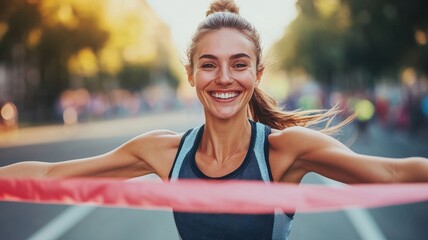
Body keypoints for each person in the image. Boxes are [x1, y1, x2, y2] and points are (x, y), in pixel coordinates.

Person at [1, 0, 428, 239]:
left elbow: (391, 172)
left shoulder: (286, 150)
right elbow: (55, 173)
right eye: (209, 64)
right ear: (190, 74)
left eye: (239, 64)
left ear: (257, 74)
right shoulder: (163, 151)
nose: (224, 78)